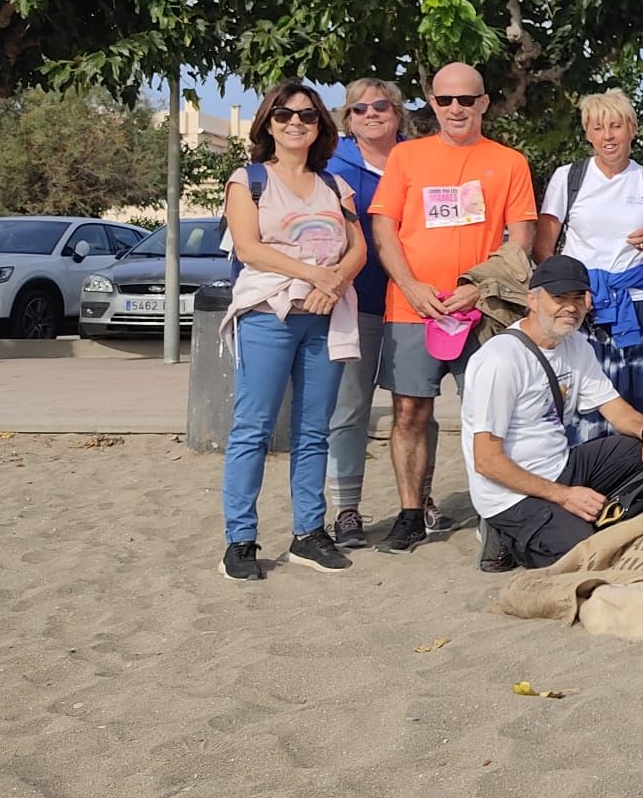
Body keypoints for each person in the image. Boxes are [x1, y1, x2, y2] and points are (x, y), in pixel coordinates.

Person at [367, 62, 539, 554]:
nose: (456, 109)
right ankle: (409, 513)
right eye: (445, 101)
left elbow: (522, 239)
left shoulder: (509, 162)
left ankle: (497, 513)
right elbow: (384, 230)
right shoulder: (406, 157)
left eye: (467, 99)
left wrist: (480, 289)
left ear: (484, 102)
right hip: (412, 308)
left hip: (480, 311)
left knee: (489, 415)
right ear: (432, 104)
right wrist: (411, 284)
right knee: (409, 413)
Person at [217, 81, 366, 580]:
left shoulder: (334, 186)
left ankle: (309, 533)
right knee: (253, 429)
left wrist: (334, 282)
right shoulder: (249, 179)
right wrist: (316, 276)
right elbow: (249, 247)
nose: (295, 122)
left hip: (325, 317)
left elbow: (357, 248)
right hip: (268, 316)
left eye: (306, 115)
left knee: (313, 431)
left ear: (320, 124)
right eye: (284, 115)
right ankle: (239, 541)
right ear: (268, 123)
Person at [462, 254, 643, 569]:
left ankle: (598, 519)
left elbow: (614, 408)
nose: (571, 307)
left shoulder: (575, 345)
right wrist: (563, 495)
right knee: (588, 555)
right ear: (533, 300)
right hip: (511, 493)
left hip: (561, 463)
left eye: (578, 297)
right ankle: (506, 536)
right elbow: (487, 461)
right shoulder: (500, 361)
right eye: (559, 297)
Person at [535, 91, 643, 433]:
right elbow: (543, 251)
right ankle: (586, 476)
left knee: (642, 404)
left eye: (616, 126)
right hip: (584, 308)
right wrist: (569, 294)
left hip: (639, 308)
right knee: (583, 402)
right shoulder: (568, 178)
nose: (608, 136)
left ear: (632, 129)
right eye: (598, 128)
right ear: (587, 133)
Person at [323, 77, 419, 550]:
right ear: (348, 119)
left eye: (380, 106)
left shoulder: (421, 160)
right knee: (349, 408)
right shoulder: (329, 165)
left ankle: (418, 501)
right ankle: (346, 509)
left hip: (414, 303)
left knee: (414, 407)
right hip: (354, 303)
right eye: (359, 109)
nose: (371, 114)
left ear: (397, 112)